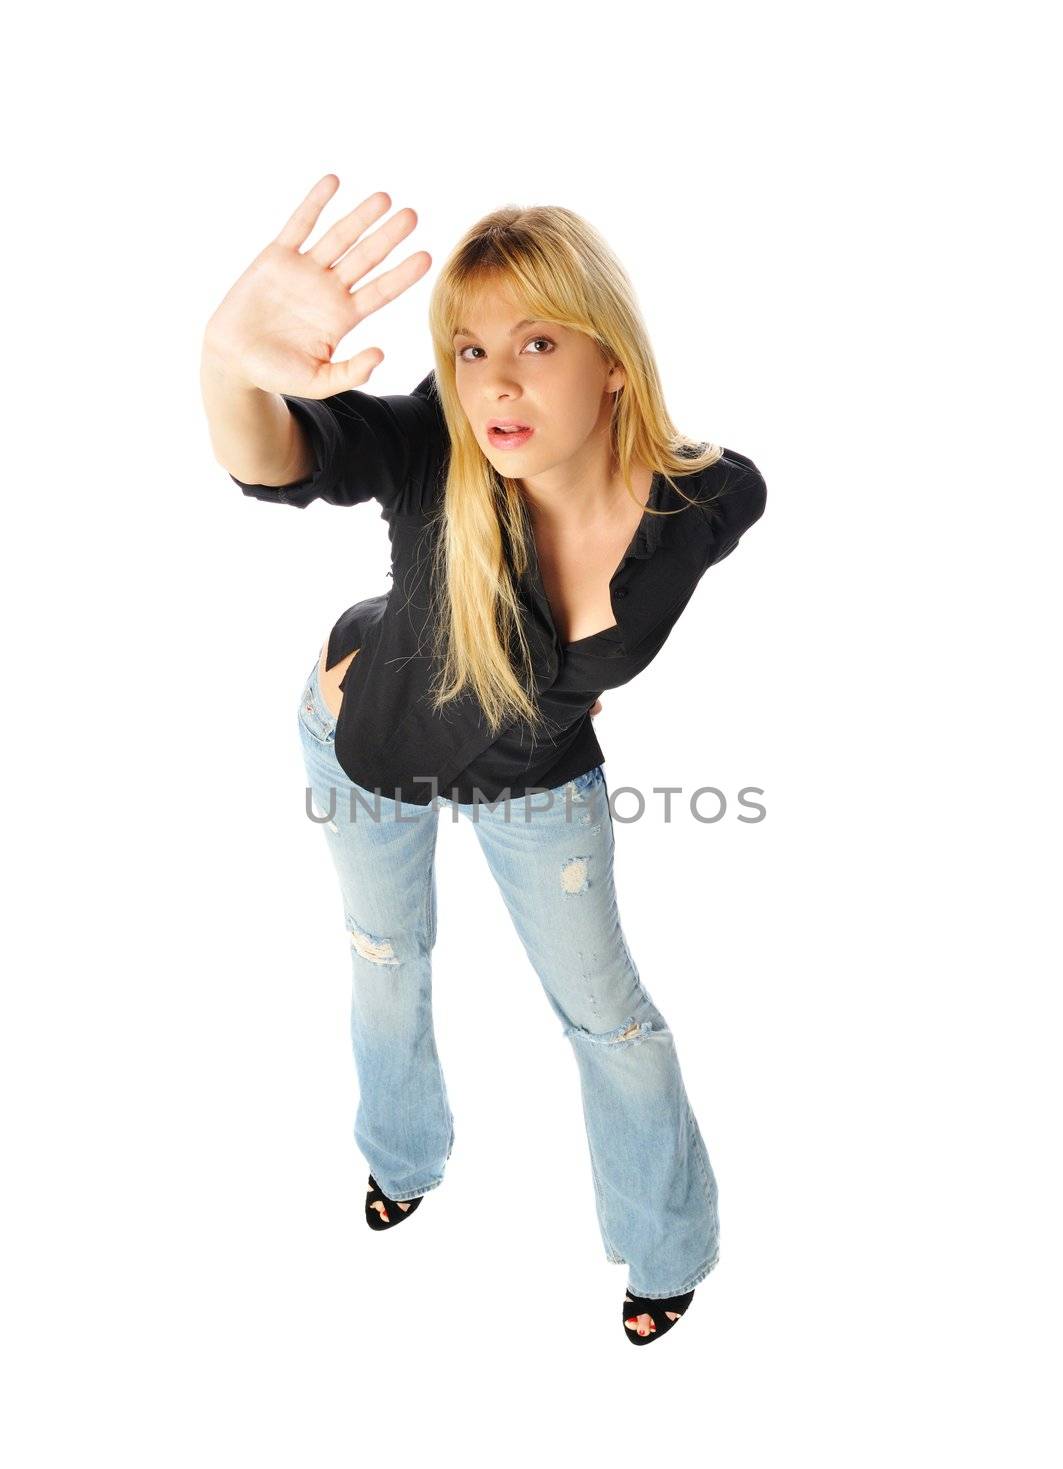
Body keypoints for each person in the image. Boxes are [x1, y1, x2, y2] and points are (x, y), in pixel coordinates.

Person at [200, 177, 768, 1346]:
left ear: (610, 360)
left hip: (533, 780)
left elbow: (632, 591)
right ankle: (402, 1157)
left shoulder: (706, 496)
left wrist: (570, 678)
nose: (494, 379)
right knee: (385, 957)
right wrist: (229, 363)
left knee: (608, 1019)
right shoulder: (434, 449)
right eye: (466, 348)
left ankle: (665, 1246)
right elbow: (278, 459)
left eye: (536, 341)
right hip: (364, 746)